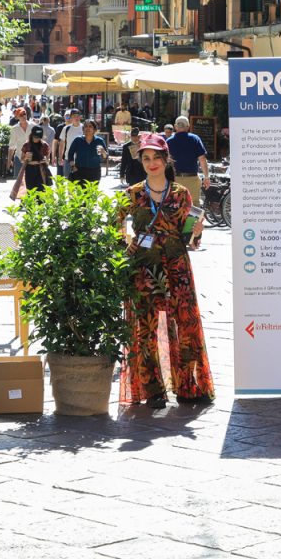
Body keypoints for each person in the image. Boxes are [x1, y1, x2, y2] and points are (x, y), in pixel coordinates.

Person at [118, 132, 213, 408]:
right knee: (146, 327)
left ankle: (188, 386)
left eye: (156, 157)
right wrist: (127, 243)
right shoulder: (132, 194)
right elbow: (115, 228)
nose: (151, 163)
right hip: (145, 267)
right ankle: (153, 390)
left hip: (176, 266)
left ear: (165, 159)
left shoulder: (182, 194)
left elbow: (191, 241)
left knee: (184, 324)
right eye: (146, 158)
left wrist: (197, 232)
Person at [166, 116, 210, 205]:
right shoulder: (195, 139)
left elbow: (165, 161)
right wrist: (206, 177)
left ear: (175, 127)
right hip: (192, 179)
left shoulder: (169, 141)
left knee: (175, 206)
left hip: (175, 180)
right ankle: (191, 220)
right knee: (193, 207)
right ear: (188, 127)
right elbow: (202, 159)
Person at [21, 125, 53, 194]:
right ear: (32, 135)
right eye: (35, 136)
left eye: (38, 137)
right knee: (30, 192)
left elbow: (48, 159)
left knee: (41, 192)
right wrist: (26, 158)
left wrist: (45, 160)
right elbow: (21, 159)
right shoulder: (27, 145)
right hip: (30, 170)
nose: (36, 139)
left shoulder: (44, 145)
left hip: (41, 171)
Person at [56, 108, 84, 177]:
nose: (76, 118)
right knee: (68, 180)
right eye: (74, 116)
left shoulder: (84, 128)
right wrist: (60, 158)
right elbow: (62, 144)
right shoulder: (66, 128)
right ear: (70, 118)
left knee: (81, 181)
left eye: (78, 116)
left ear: (80, 117)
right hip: (68, 159)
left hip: (81, 159)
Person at [8, 107, 31, 179]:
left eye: (24, 114)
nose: (24, 116)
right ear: (17, 117)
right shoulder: (14, 129)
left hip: (32, 159)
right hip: (19, 158)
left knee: (31, 182)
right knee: (19, 183)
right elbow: (12, 147)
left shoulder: (33, 126)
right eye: (21, 115)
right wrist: (9, 161)